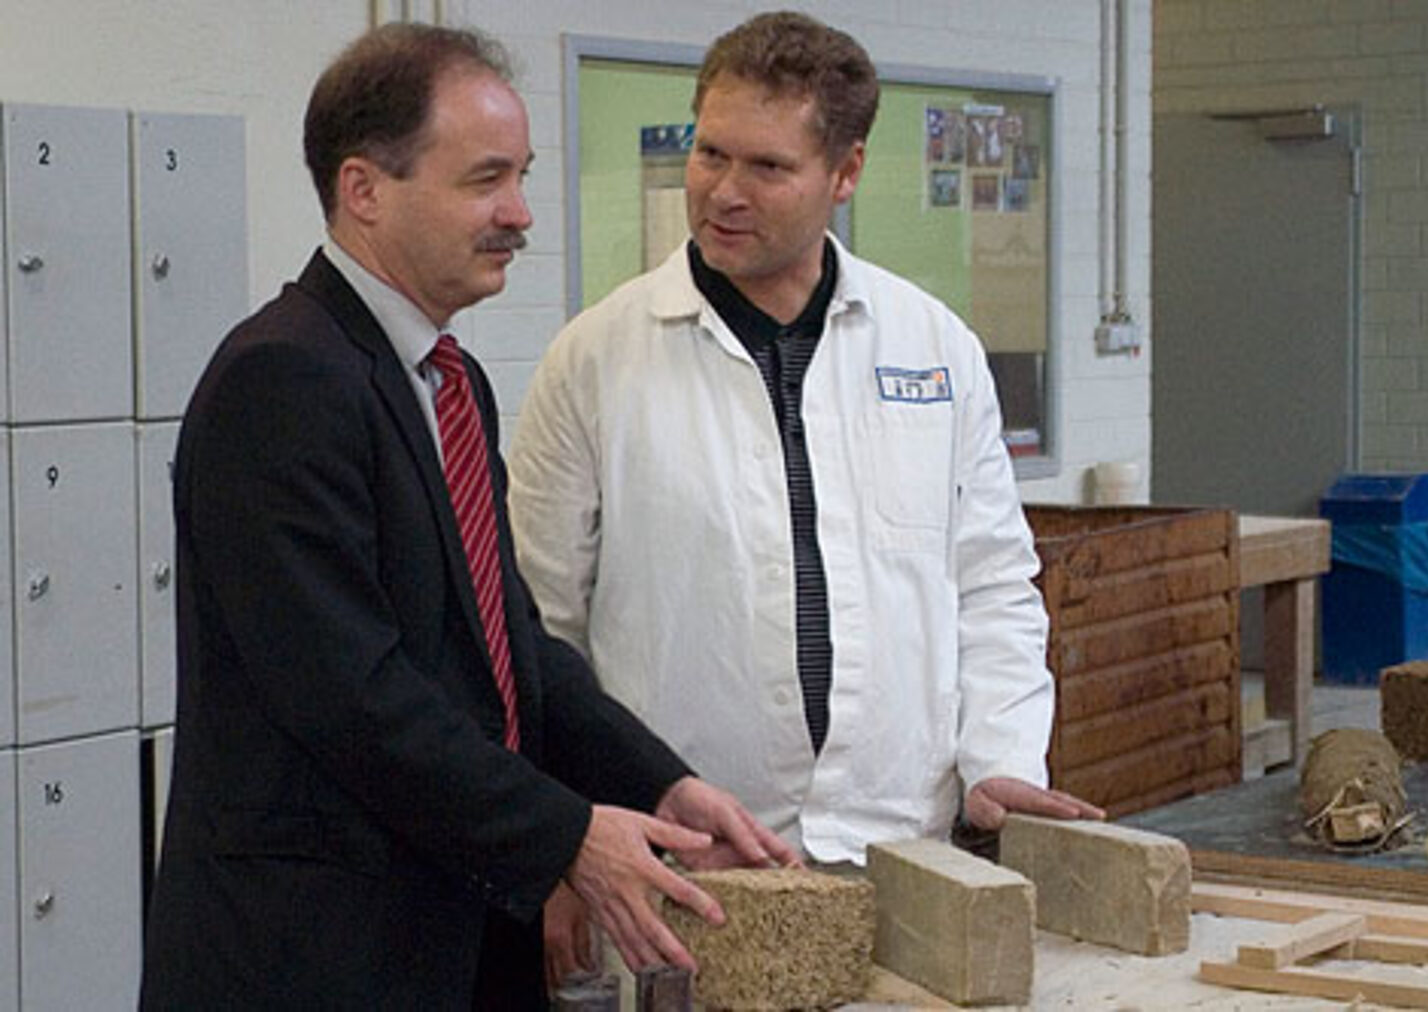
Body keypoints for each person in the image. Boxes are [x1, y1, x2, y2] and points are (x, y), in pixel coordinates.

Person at [139, 22, 794, 1010]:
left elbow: (505, 646)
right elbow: (349, 692)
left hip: (452, 927)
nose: (520, 214)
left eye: (522, 176)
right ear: (364, 190)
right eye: (486, 180)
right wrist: (565, 834)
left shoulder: (449, 381)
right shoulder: (281, 380)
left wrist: (656, 783)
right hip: (316, 954)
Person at [510, 10, 1102, 873]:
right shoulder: (594, 361)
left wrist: (1003, 758)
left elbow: (991, 586)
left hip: (904, 844)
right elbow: (540, 627)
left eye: (768, 167)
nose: (723, 192)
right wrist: (571, 837)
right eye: (710, 153)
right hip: (682, 854)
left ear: (846, 171)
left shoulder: (934, 348)